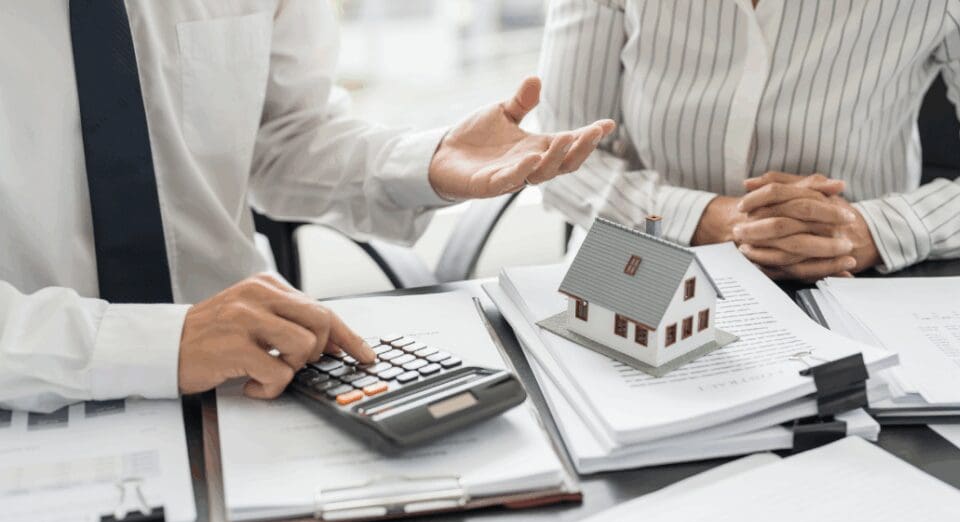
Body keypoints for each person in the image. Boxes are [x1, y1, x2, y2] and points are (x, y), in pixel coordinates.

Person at [0, 1, 615, 412]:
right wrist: (160, 344)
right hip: (29, 391)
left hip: (247, 380)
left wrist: (424, 162)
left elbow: (283, 137)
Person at [537, 0, 960, 281]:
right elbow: (559, 156)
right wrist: (707, 220)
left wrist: (873, 230)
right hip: (639, 253)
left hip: (859, 279)